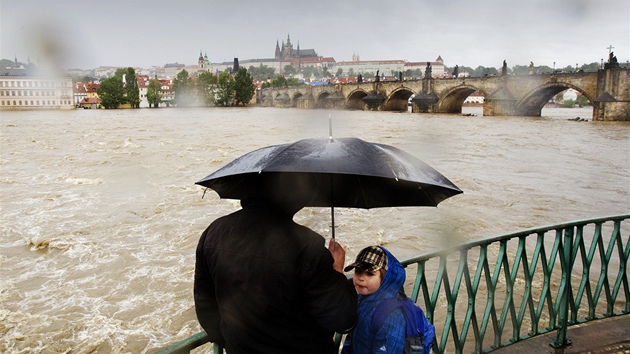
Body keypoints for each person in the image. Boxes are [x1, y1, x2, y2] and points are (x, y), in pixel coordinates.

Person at [194, 173, 358, 354]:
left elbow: (206, 307)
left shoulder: (213, 233)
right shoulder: (308, 246)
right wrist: (336, 271)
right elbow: (342, 319)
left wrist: (233, 343)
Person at [341, 245, 407, 353]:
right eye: (358, 271)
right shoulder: (362, 300)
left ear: (386, 278)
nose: (361, 278)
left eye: (370, 274)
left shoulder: (391, 315)